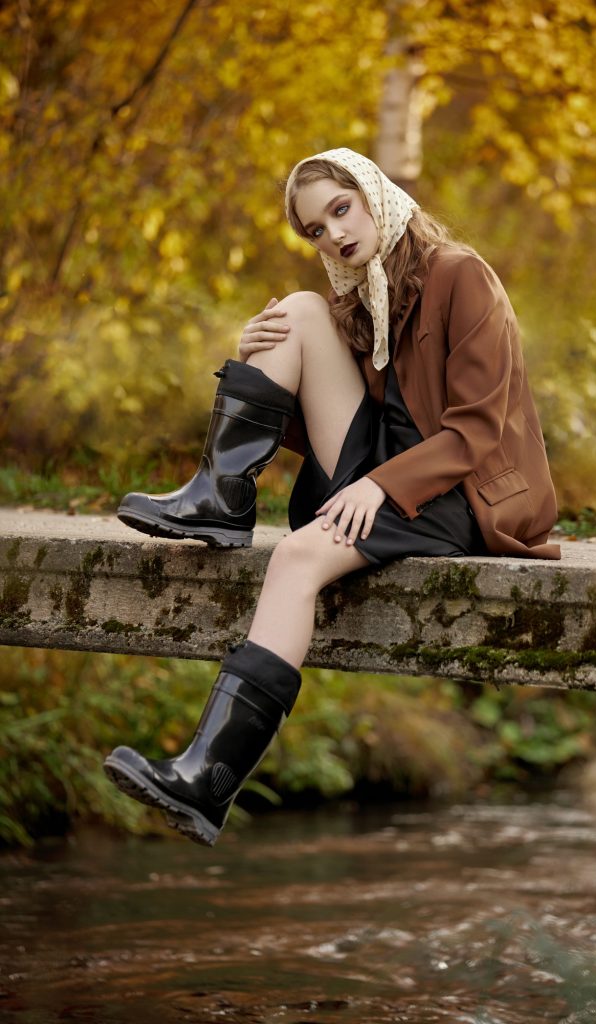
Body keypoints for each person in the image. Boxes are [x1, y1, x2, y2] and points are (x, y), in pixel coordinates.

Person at [103, 147, 560, 846]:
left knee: (295, 559)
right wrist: (251, 358)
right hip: (389, 468)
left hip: (463, 493)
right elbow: (320, 415)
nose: (335, 235)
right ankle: (218, 497)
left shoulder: (462, 276)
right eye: (316, 230)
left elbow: (475, 431)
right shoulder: (363, 292)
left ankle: (208, 782)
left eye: (340, 210)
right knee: (297, 313)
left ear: (371, 192)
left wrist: (380, 484)